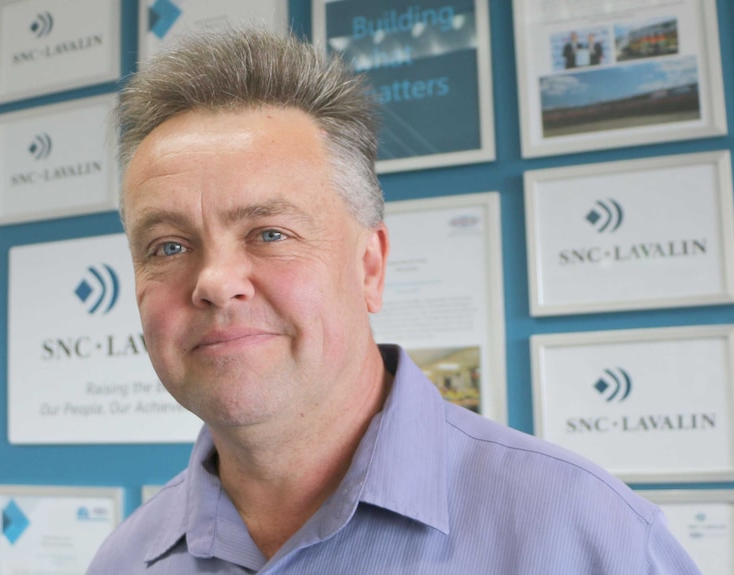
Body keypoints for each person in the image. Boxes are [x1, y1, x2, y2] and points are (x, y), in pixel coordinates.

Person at [87, 28, 702, 573]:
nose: (215, 281)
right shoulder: (124, 561)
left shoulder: (590, 539)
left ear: (369, 267)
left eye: (270, 233)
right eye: (167, 247)